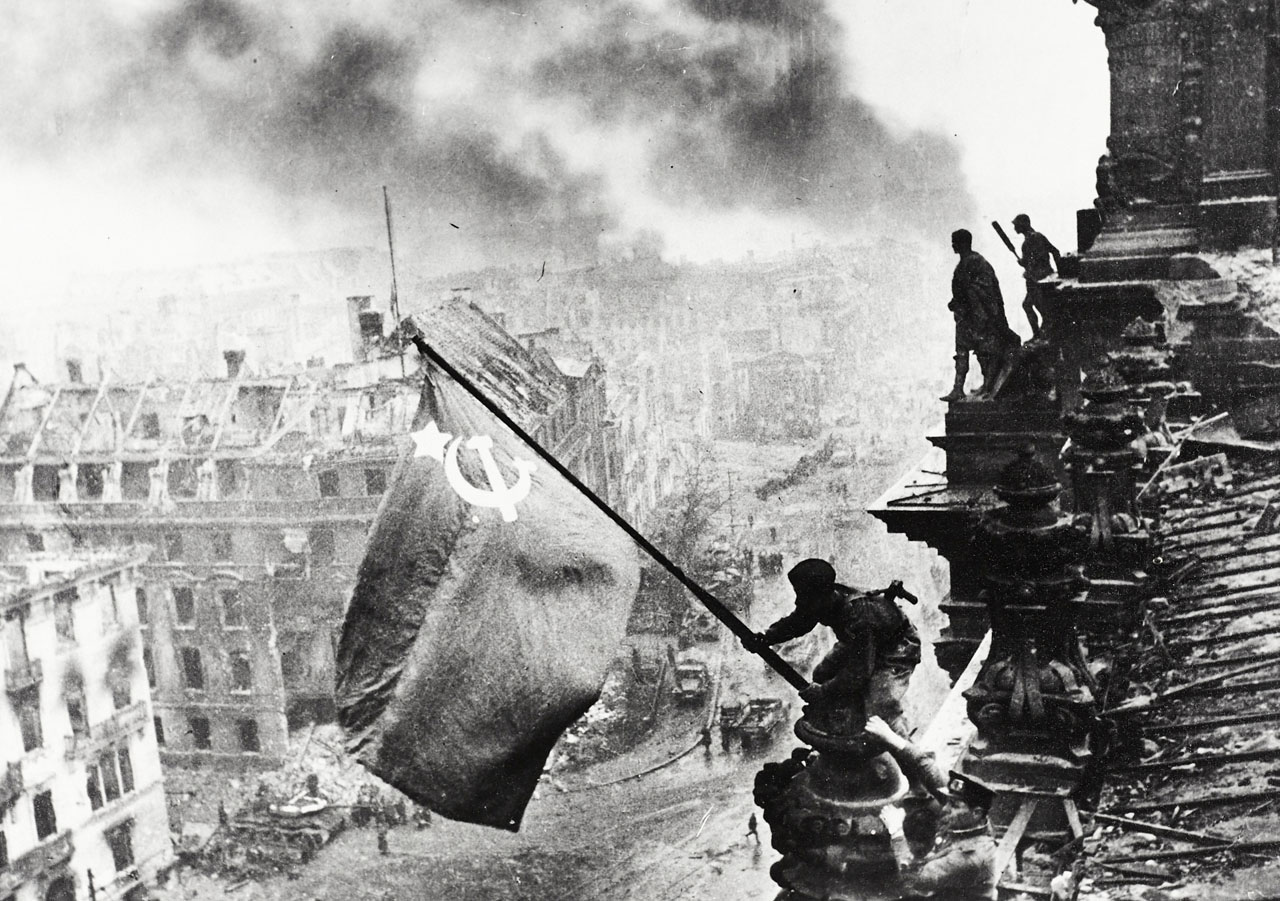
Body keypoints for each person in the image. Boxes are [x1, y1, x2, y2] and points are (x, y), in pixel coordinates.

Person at [755, 559, 920, 735]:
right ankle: (846, 722)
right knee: (822, 674)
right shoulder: (820, 598)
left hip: (896, 648)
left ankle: (902, 747)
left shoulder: (859, 615)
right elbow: (800, 622)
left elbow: (859, 671)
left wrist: (823, 693)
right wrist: (767, 637)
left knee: (880, 707)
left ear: (823, 593)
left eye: (803, 595)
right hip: (859, 641)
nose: (798, 600)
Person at [863, 717, 998, 901]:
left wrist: (896, 832)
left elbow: (913, 879)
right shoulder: (972, 820)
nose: (946, 808)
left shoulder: (971, 857)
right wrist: (891, 737)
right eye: (949, 802)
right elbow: (927, 769)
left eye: (954, 805)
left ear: (976, 813)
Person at [942, 229, 1020, 402]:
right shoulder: (963, 263)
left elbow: (985, 288)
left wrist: (968, 298)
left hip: (981, 315)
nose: (952, 245)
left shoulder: (977, 262)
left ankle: (988, 385)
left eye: (955, 241)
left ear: (963, 243)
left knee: (984, 351)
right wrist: (956, 302)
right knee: (961, 351)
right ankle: (957, 389)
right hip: (965, 316)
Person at [1013, 214, 1062, 340]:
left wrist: (1024, 263)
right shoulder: (1037, 236)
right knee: (1032, 305)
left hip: (1036, 279)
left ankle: (1040, 333)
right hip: (1042, 277)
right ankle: (1040, 332)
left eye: (1016, 224)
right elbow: (1054, 252)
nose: (1014, 227)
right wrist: (1059, 273)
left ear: (1024, 224)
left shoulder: (1031, 240)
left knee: (1036, 306)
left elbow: (1036, 259)